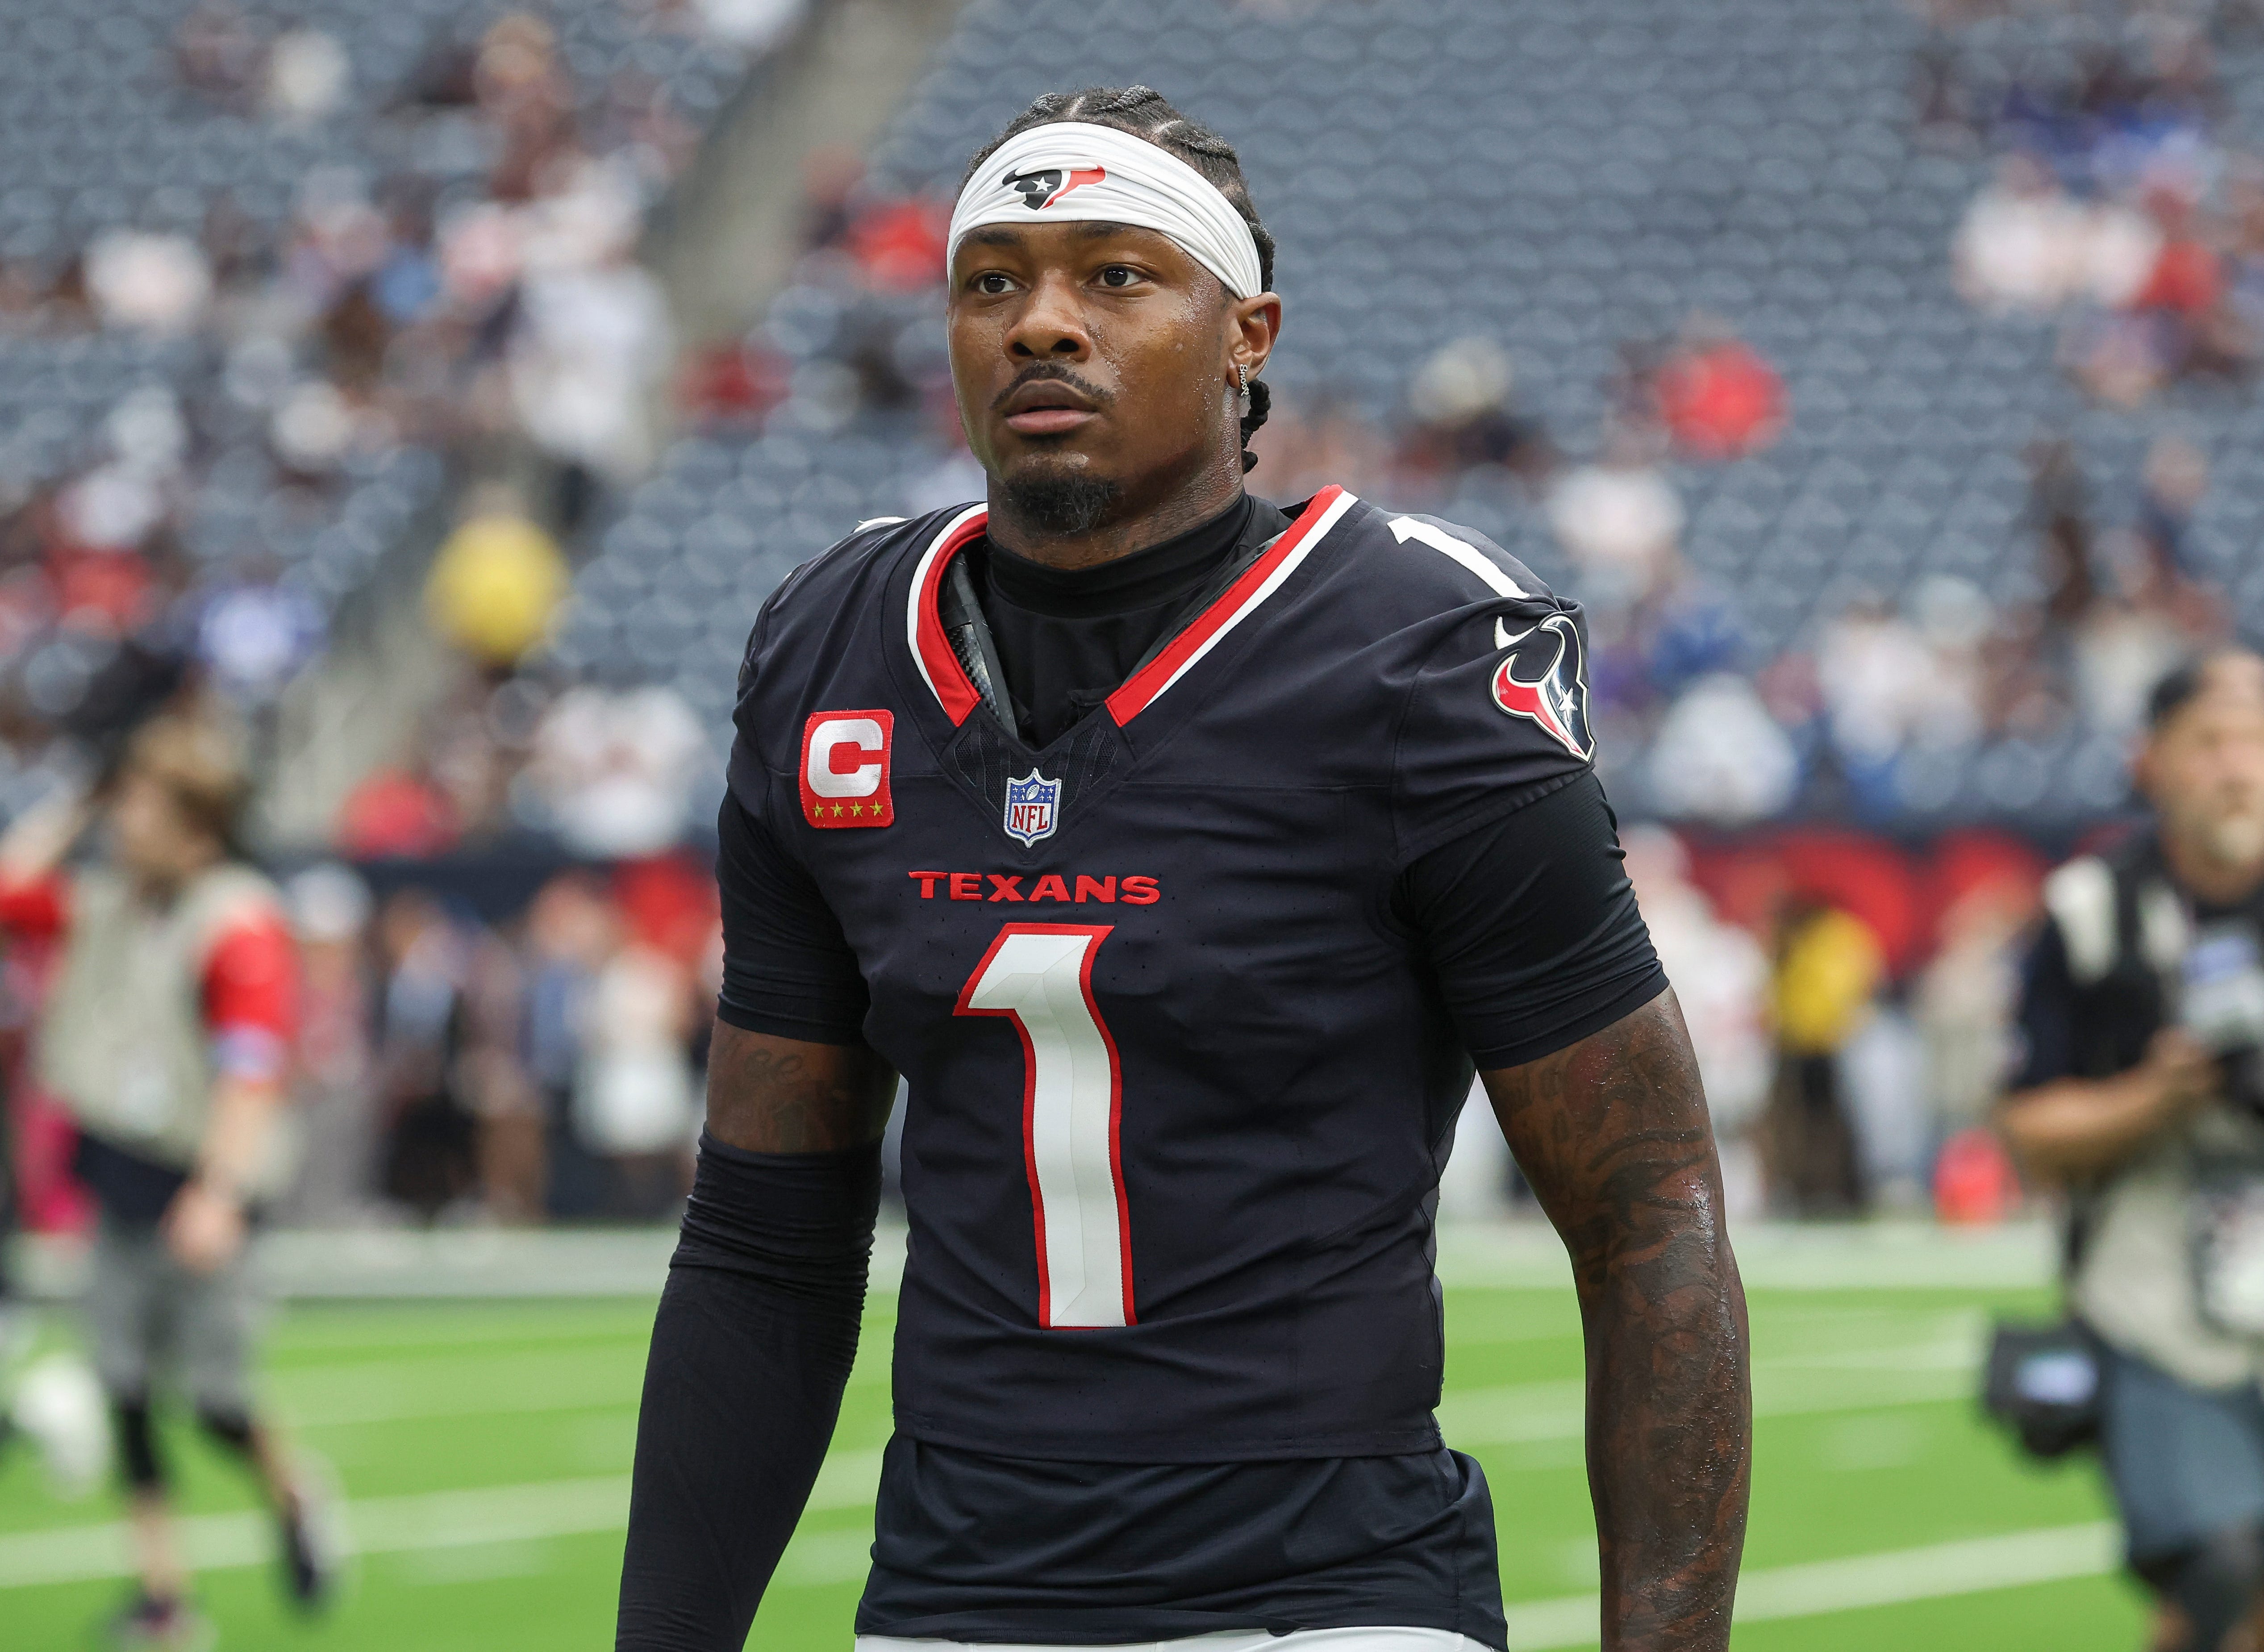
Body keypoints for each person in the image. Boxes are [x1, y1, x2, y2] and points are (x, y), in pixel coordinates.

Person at [616, 86, 1750, 1652]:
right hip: (949, 1599)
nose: (1042, 325)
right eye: (993, 280)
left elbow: (1648, 1212)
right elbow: (766, 1231)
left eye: (1116, 275)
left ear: (1246, 335)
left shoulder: (1411, 653)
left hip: (1328, 1596)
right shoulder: (831, 649)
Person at [0, 716, 333, 1648]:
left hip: (202, 1179)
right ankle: (164, 1595)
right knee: (125, 1387)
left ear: (197, 826)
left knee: (218, 1400)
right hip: (120, 1168)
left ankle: (295, 1492)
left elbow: (251, 1065)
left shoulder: (236, 920)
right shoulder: (106, 897)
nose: (127, 820)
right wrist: (83, 796)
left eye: (145, 804)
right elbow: (8, 887)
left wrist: (220, 1189)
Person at [2000, 650, 2264, 1652]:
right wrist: (2155, 1094)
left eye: (2254, 740)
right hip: (2152, 1295)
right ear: (2148, 759)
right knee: (2214, 1570)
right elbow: (2026, 1125)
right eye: (2209, 741)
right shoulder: (2091, 910)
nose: (2238, 766)